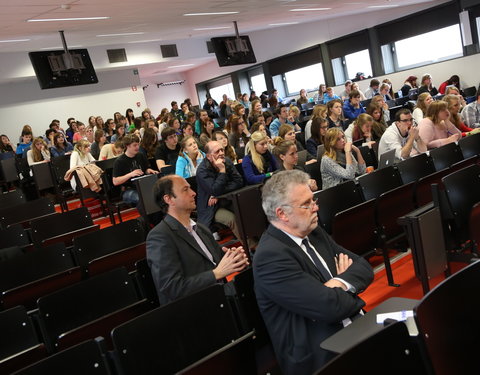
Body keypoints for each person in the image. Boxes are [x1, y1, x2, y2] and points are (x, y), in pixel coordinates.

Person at [253, 170, 374, 375]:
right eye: (306, 204)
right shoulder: (270, 258)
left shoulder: (313, 231)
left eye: (313, 200)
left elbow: (364, 267)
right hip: (322, 352)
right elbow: (330, 308)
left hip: (353, 327)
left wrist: (337, 283)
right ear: (282, 214)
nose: (316, 207)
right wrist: (348, 287)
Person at [146, 175, 249, 305]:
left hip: (220, 298)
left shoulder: (200, 228)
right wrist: (216, 274)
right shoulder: (160, 236)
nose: (193, 193)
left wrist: (235, 259)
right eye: (185, 189)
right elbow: (172, 287)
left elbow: (215, 260)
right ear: (169, 199)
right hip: (194, 309)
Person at [195, 141, 244, 239]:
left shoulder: (227, 161)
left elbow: (239, 181)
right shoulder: (202, 170)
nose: (221, 153)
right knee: (231, 219)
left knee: (245, 209)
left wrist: (218, 194)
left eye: (222, 150)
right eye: (217, 151)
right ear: (209, 156)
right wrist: (222, 170)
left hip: (226, 199)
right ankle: (251, 247)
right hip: (210, 207)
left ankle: (257, 238)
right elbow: (215, 190)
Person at [112, 134, 158, 205]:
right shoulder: (119, 161)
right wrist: (130, 174)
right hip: (128, 190)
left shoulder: (140, 155)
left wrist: (149, 171)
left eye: (138, 145)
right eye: (134, 145)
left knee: (158, 194)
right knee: (143, 199)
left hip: (143, 186)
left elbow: (145, 169)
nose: (137, 147)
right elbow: (115, 181)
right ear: (127, 146)